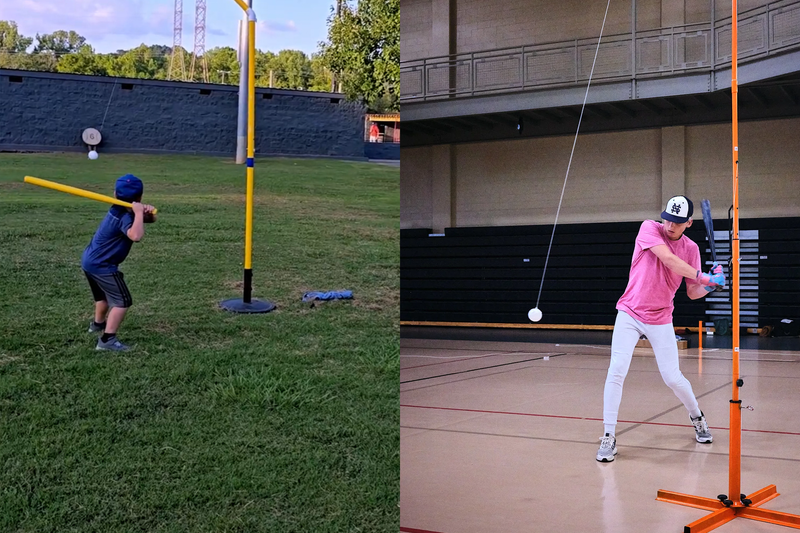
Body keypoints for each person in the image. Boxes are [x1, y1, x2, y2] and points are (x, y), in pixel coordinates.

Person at [597, 195, 725, 462]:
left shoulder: (691, 249)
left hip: (661, 317)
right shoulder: (649, 228)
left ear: (688, 223)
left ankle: (697, 417)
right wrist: (704, 276)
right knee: (617, 370)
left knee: (672, 377)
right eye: (668, 218)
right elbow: (668, 259)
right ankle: (609, 436)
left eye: (677, 222)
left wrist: (711, 285)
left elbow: (692, 292)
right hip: (629, 312)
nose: (670, 225)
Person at [82, 174, 156, 352]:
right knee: (122, 301)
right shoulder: (125, 215)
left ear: (115, 194)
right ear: (139, 196)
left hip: (90, 260)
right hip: (103, 266)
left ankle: (98, 325)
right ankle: (107, 341)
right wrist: (138, 212)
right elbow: (136, 235)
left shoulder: (121, 209)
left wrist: (146, 214)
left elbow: (145, 221)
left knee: (103, 297)